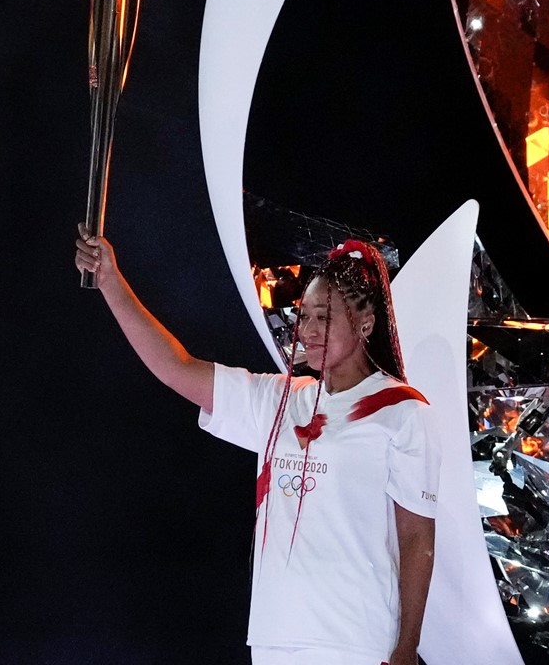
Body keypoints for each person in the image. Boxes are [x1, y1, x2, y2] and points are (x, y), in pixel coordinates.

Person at [76, 226, 437, 665]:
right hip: (274, 637)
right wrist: (112, 282)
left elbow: (417, 536)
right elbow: (175, 367)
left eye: (324, 317)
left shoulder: (401, 411)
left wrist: (407, 647)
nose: (309, 330)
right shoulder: (280, 399)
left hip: (355, 640)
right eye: (303, 316)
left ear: (365, 323)